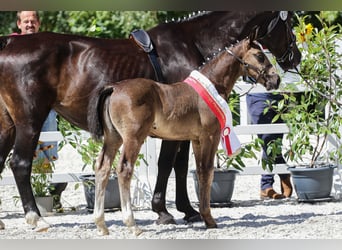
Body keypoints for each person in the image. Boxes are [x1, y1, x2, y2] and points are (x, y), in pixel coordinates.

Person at [14, 11, 67, 208]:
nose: (30, 24)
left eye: (33, 21)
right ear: (19, 24)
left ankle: (45, 191)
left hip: (44, 104)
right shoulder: (12, 45)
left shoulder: (45, 44)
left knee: (47, 144)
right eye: (26, 21)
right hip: (18, 105)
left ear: (39, 23)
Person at [246, 92, 293, 199]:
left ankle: (266, 186)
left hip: (281, 95)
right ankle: (279, 178)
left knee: (277, 141)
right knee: (267, 141)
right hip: (258, 95)